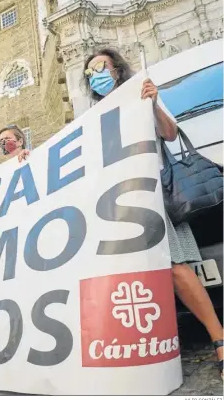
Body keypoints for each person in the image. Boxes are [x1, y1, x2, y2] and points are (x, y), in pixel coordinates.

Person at [83, 47, 223, 378]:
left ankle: (219, 338)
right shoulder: (94, 117)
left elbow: (170, 133)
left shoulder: (142, 94)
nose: (95, 75)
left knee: (177, 269)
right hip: (117, 204)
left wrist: (154, 102)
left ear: (116, 68)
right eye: (89, 74)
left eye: (99, 67)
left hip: (153, 195)